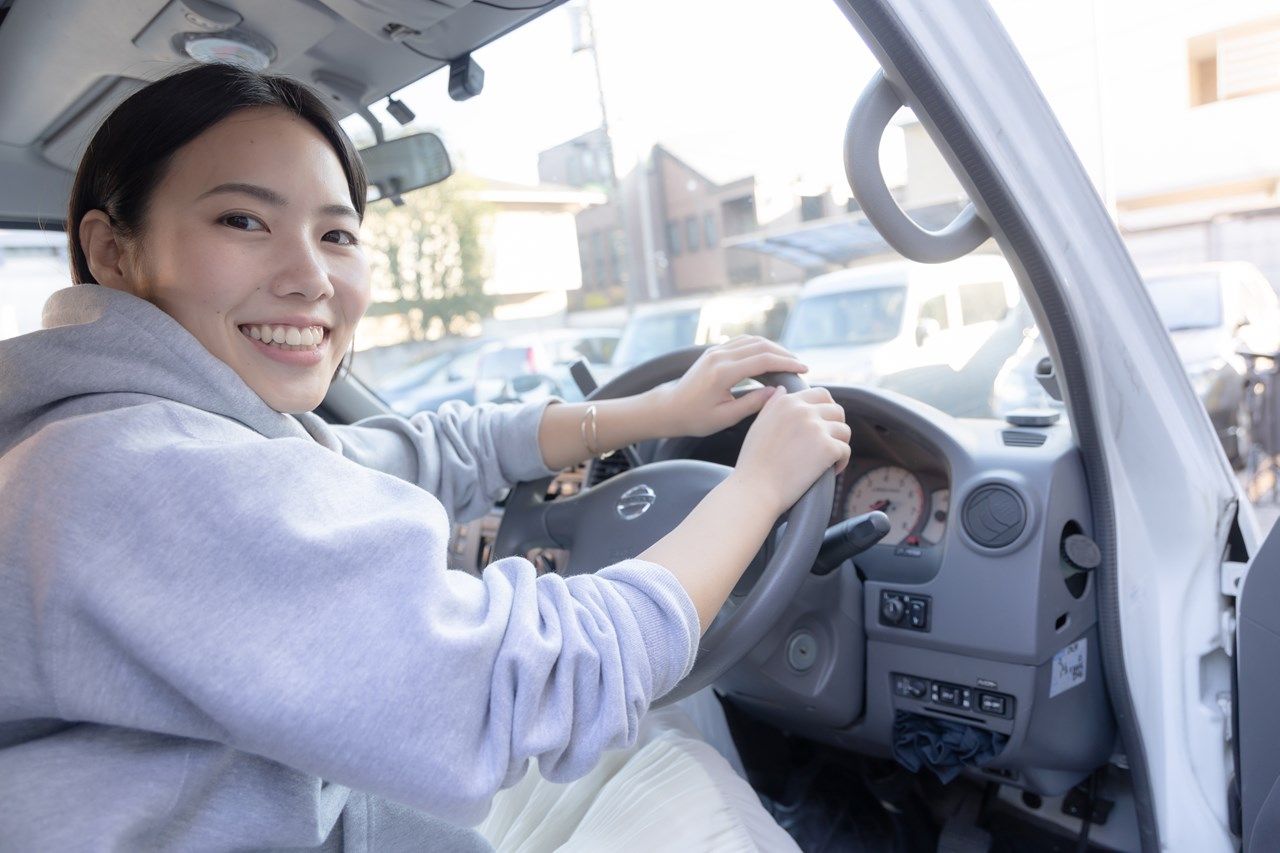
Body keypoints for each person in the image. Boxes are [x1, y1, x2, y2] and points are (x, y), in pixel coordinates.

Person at [0, 63, 851, 850]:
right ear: (114, 250)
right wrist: (758, 490)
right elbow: (542, 683)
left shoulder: (139, 431)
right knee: (671, 758)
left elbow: (427, 449)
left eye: (336, 235)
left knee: (662, 732)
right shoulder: (145, 473)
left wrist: (656, 411)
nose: (309, 277)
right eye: (243, 220)